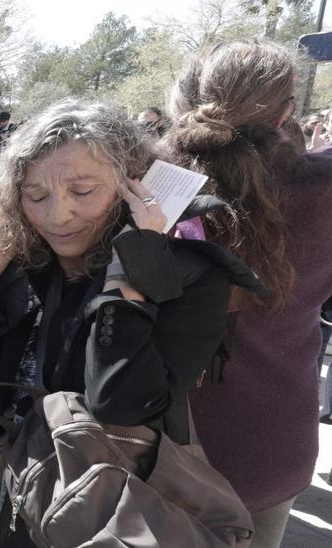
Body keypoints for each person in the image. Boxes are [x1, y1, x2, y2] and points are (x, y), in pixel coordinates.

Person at [0, 99, 260, 547]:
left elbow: (120, 402)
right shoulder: (20, 257)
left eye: (84, 191)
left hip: (85, 514)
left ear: (133, 184)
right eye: (36, 196)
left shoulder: (189, 276)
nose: (57, 215)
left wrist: (131, 268)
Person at [164, 40, 332, 548]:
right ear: (286, 112)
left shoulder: (152, 183)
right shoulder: (323, 188)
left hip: (168, 445)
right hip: (276, 441)